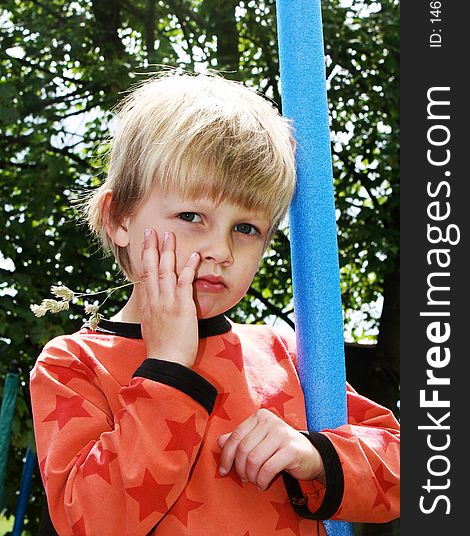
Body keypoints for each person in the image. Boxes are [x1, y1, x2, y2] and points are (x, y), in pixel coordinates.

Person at [30, 72, 399, 536]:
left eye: (246, 229)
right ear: (118, 218)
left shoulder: (283, 354)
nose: (221, 251)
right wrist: (167, 368)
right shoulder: (74, 365)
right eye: (191, 217)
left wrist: (315, 455)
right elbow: (89, 521)